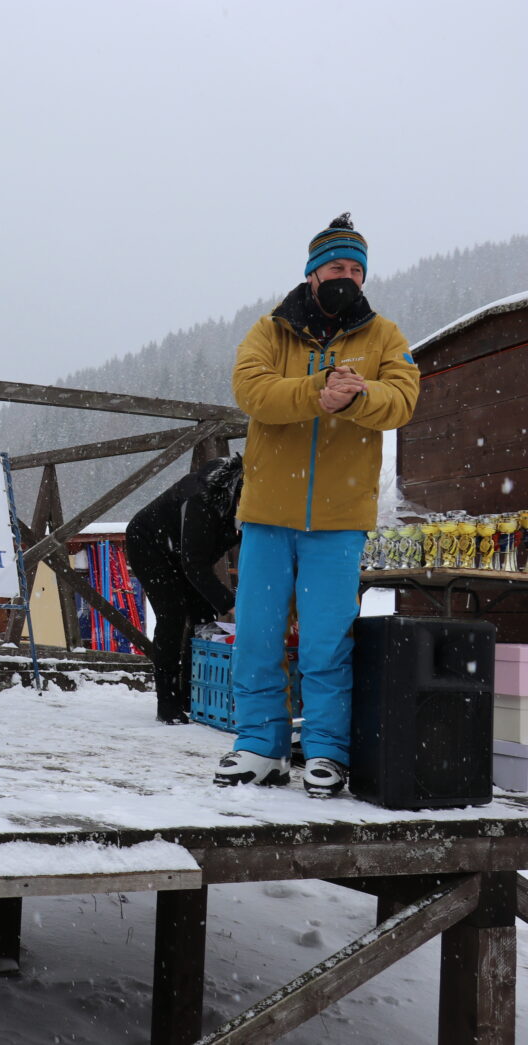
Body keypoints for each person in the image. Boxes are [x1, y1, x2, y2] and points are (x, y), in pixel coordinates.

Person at [215, 214, 419, 797]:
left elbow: (403, 399)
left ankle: (328, 752)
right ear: (311, 275)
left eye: (357, 269)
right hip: (267, 516)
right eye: (336, 267)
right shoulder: (268, 331)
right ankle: (260, 745)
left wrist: (358, 396)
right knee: (256, 635)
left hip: (339, 520)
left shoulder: (385, 336)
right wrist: (315, 392)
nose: (347, 277)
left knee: (328, 642)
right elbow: (250, 391)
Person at [125, 455, 243, 725]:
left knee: (203, 617)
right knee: (172, 615)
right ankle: (168, 705)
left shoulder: (238, 503)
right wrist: (230, 604)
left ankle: (195, 697)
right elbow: (195, 565)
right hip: (149, 545)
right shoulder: (201, 501)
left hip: (182, 552)